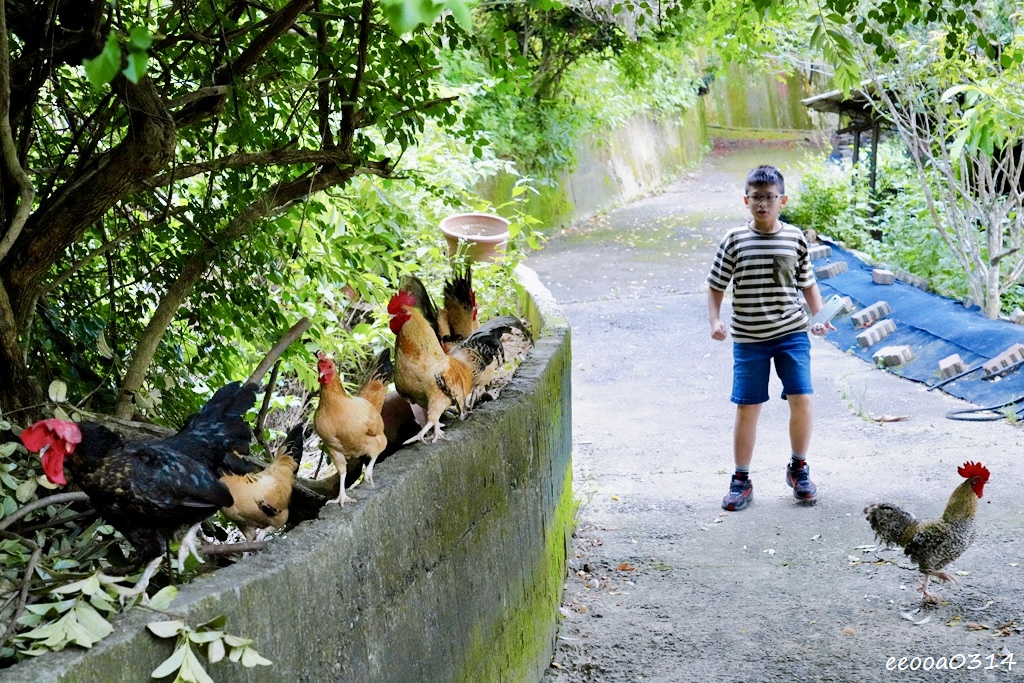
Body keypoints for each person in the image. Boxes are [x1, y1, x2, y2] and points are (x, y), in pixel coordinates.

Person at [706, 164, 833, 511]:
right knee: (748, 408)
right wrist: (716, 320)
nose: (763, 204)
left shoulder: (794, 239)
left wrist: (819, 319)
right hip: (749, 339)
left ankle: (799, 468)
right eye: (756, 198)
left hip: (792, 334)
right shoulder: (734, 239)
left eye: (770, 198)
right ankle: (741, 479)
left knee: (802, 399)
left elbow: (807, 283)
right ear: (746, 200)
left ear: (783, 200)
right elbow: (716, 285)